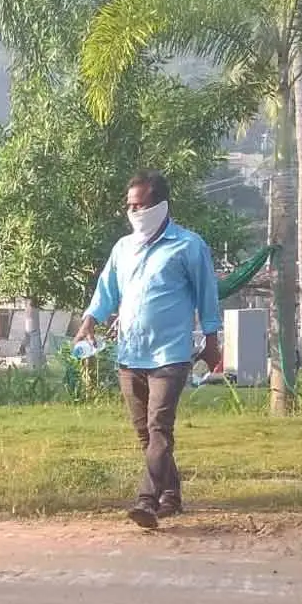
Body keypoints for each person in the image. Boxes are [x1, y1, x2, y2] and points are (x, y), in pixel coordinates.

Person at [74, 171, 221, 530]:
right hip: (130, 354)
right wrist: (89, 321)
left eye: (140, 205)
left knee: (159, 429)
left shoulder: (188, 246)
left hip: (170, 355)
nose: (134, 212)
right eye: (130, 206)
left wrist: (212, 342)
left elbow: (207, 295)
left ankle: (147, 501)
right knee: (145, 433)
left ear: (160, 205)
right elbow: (106, 291)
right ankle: (171, 494)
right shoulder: (123, 248)